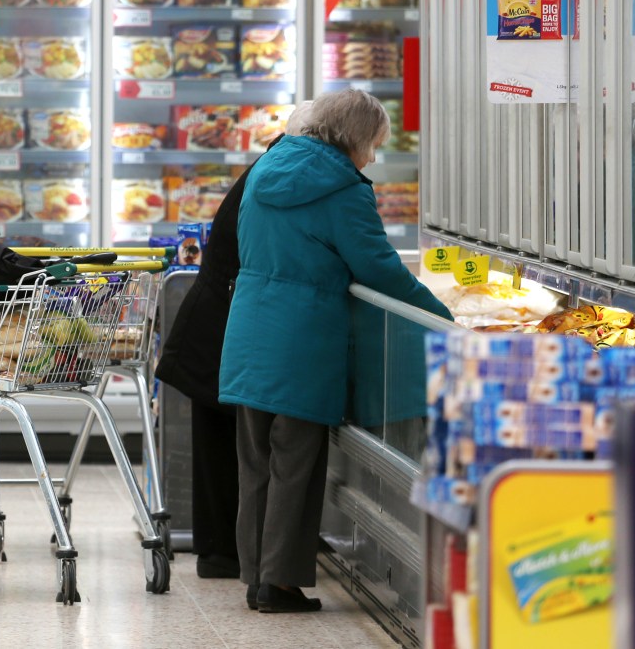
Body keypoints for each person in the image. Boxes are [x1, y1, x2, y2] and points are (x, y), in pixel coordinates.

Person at [217, 89, 451, 614]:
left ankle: (256, 576)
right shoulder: (344, 187)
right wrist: (439, 315)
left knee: (256, 462)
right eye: (374, 145)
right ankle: (279, 584)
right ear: (356, 138)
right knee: (296, 462)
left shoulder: (267, 165)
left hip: (250, 326)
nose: (373, 157)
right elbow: (378, 268)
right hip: (303, 337)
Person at [155, 103, 312, 582]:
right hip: (221, 326)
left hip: (217, 321)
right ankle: (224, 553)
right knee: (229, 447)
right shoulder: (283, 177)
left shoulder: (268, 168)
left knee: (223, 446)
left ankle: (223, 551)